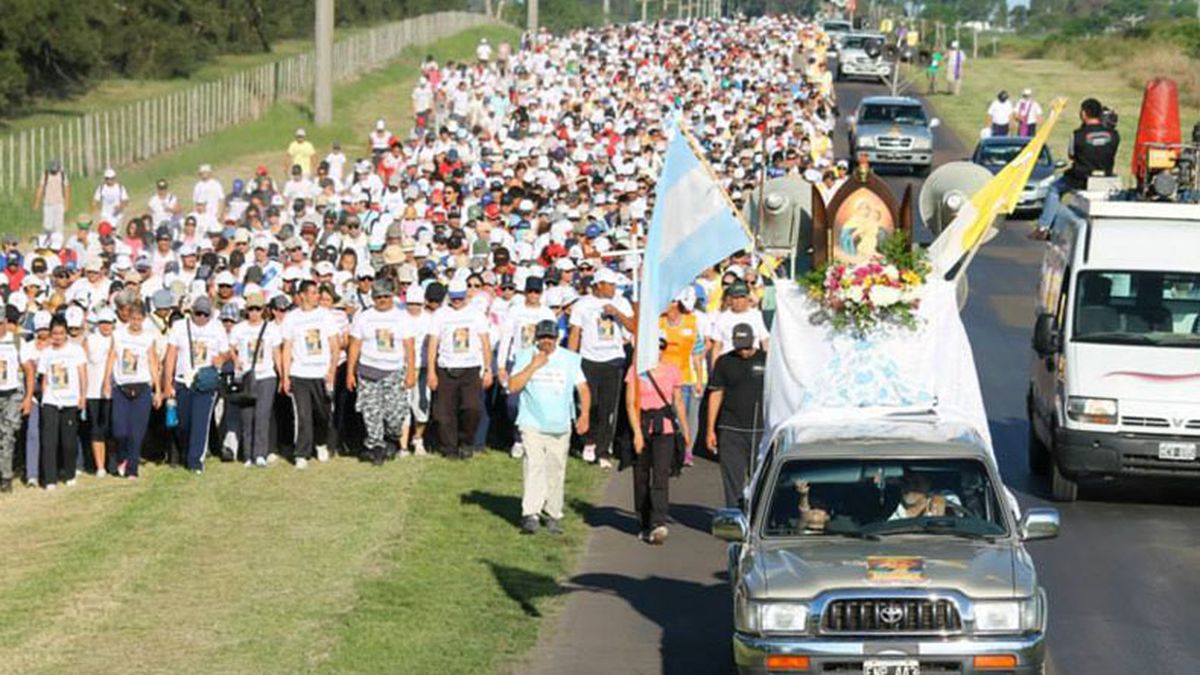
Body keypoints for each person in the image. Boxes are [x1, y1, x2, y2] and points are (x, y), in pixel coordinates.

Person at [508, 320, 591, 535]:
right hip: (532, 421)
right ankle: (531, 513)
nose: (546, 342)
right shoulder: (525, 355)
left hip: (560, 422)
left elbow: (583, 388)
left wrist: (585, 415)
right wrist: (534, 365)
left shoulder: (569, 360)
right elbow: (513, 385)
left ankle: (553, 513)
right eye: (542, 337)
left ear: (557, 338)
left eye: (550, 338)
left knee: (556, 468)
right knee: (534, 465)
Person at [626, 338, 690, 545]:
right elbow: (630, 403)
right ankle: (644, 520)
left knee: (661, 474)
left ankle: (659, 521)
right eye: (654, 349)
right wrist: (636, 433)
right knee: (641, 476)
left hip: (665, 428)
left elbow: (678, 401)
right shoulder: (636, 371)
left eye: (661, 349)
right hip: (643, 426)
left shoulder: (672, 370)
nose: (658, 353)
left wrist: (686, 430)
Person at [569, 267, 634, 468]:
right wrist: (572, 360)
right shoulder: (583, 304)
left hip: (613, 359)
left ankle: (604, 449)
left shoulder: (621, 302)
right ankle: (590, 440)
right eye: (610, 285)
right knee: (591, 403)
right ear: (598, 285)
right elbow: (575, 333)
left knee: (608, 407)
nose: (613, 289)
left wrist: (617, 313)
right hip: (589, 359)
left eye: (615, 285)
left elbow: (633, 326)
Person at [347, 278, 416, 465]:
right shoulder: (363, 316)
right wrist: (350, 373)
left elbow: (409, 346)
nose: (383, 300)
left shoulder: (402, 316)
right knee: (371, 412)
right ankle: (375, 447)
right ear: (373, 297)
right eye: (378, 297)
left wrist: (411, 372)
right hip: (368, 370)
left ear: (392, 296)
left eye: (386, 296)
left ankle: (391, 438)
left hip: (394, 370)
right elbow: (355, 345)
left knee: (395, 415)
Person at [163, 296, 230, 474]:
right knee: (183, 422)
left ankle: (195, 461)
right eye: (198, 313)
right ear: (191, 312)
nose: (201, 318)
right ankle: (186, 451)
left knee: (200, 421)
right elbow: (170, 355)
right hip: (182, 380)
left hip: (205, 380)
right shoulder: (179, 327)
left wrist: (221, 359)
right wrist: (167, 383)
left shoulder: (217, 328)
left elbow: (226, 352)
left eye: (205, 314)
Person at [427, 278, 492, 460]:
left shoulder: (476, 314)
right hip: (446, 367)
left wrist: (487, 369)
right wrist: (432, 371)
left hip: (470, 367)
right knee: (443, 413)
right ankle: (449, 447)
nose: (457, 302)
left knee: (472, 408)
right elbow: (433, 343)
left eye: (460, 298)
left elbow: (485, 342)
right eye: (454, 298)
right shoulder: (440, 314)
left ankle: (466, 441)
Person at [1035, 98, 1120, 237]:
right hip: (1105, 178)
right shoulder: (1114, 135)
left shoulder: (1077, 135)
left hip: (1080, 178)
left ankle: (1043, 227)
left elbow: (1071, 155)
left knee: (1054, 189)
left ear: (1084, 113)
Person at [706, 323, 766, 509]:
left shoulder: (766, 360)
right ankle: (734, 516)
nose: (744, 351)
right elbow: (716, 394)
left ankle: (757, 517)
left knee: (760, 478)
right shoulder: (724, 362)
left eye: (747, 347)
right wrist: (710, 429)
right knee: (732, 477)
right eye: (740, 347)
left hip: (760, 428)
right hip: (731, 428)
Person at [280, 280, 339, 468]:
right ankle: (302, 453)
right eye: (313, 293)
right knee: (303, 415)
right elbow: (287, 347)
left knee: (322, 413)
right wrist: (285, 375)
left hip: (321, 371)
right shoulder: (291, 318)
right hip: (300, 373)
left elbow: (334, 344)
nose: (317, 297)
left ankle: (320, 442)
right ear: (302, 295)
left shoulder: (325, 315)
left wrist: (332, 369)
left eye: (317, 293)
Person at [497, 276, 555, 459]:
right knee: (512, 403)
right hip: (517, 361)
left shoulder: (547, 313)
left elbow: (554, 342)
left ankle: (536, 439)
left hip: (539, 361)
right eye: (530, 291)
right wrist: (501, 365)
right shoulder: (515, 311)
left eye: (537, 292)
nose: (533, 295)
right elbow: (506, 337)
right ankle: (518, 438)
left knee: (538, 402)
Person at [104, 301, 162, 479]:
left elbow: (153, 362)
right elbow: (112, 357)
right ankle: (123, 456)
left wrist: (157, 389)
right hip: (122, 386)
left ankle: (132, 468)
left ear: (143, 319)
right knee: (119, 429)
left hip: (142, 386)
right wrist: (106, 381)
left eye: (139, 319)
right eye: (133, 319)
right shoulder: (119, 335)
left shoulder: (148, 337)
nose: (136, 322)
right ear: (128, 318)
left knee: (137, 431)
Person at [229, 291, 282, 467]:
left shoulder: (271, 329)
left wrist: (282, 375)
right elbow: (230, 347)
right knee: (247, 416)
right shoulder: (239, 329)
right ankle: (247, 454)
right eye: (251, 309)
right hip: (246, 377)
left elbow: (276, 353)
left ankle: (260, 452)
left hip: (266, 375)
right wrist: (236, 360)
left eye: (257, 309)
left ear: (263, 310)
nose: (254, 313)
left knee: (262, 415)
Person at [36, 315, 87, 489]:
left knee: (69, 441)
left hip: (71, 400)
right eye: (55, 333)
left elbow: (82, 374)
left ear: (66, 334)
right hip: (51, 399)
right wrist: (45, 397)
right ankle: (50, 479)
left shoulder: (76, 350)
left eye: (61, 333)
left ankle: (70, 473)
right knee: (49, 441)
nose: (58, 337)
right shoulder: (46, 353)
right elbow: (44, 378)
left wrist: (82, 396)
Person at [0, 307, 34, 493]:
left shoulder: (17, 342)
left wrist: (28, 398)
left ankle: (5, 476)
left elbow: (29, 370)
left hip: (12, 393)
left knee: (8, 434)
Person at [84, 307, 116, 476]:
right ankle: (100, 466)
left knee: (111, 429)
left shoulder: (117, 339)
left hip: (112, 391)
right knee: (96, 429)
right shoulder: (90, 340)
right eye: (103, 323)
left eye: (108, 323)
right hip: (92, 391)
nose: (105, 326)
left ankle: (112, 463)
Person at [889, 472, 963, 520]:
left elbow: (958, 514)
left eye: (916, 482)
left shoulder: (944, 497)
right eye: (906, 482)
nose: (911, 487)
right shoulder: (890, 510)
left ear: (928, 484)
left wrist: (942, 502)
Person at [33, 159, 70, 235]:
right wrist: (37, 202)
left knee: (58, 227)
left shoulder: (62, 175)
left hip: (59, 203)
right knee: (47, 226)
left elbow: (66, 189)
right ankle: (47, 242)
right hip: (48, 203)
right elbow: (41, 188)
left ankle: (57, 243)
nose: (54, 171)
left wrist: (67, 203)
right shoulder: (46, 174)